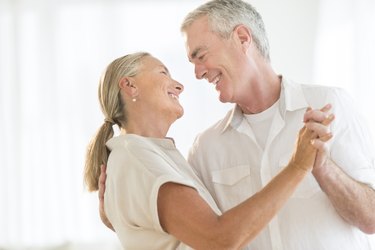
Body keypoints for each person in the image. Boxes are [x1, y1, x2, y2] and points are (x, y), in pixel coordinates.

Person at [84, 52, 333, 249]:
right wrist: (298, 166)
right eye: (163, 72)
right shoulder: (137, 156)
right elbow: (218, 240)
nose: (179, 86)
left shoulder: (146, 155)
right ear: (129, 86)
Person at [179, 0, 375, 249]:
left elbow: (372, 218)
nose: (197, 73)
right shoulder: (205, 148)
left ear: (242, 38)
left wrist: (325, 170)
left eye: (201, 56)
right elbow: (203, 237)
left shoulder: (329, 105)